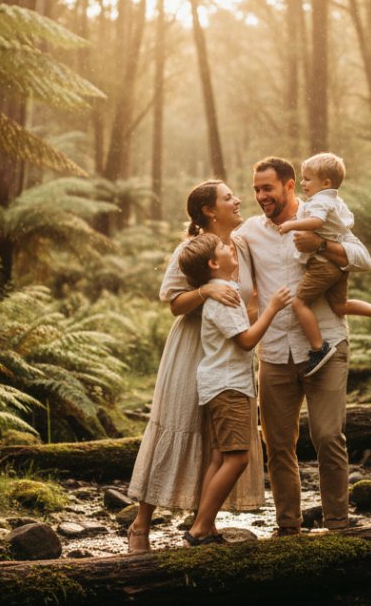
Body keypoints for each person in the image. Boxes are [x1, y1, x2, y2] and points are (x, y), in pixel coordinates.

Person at [125, 181, 265, 552]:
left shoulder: (242, 247)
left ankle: (205, 522)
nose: (237, 200)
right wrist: (204, 291)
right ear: (208, 210)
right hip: (192, 350)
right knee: (177, 425)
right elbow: (173, 302)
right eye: (228, 197)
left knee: (218, 440)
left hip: (230, 350)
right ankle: (141, 524)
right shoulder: (190, 249)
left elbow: (249, 300)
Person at [235, 157, 371, 536]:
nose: (262, 196)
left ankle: (338, 526)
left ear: (290, 185)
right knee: (278, 445)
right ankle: (289, 529)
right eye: (256, 190)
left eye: (268, 189)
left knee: (328, 437)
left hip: (326, 346)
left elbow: (363, 258)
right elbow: (217, 247)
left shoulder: (323, 216)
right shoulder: (249, 232)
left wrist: (322, 244)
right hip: (276, 353)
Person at [176, 233, 291, 545]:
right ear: (214, 263)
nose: (230, 248)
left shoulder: (223, 293)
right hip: (229, 386)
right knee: (237, 458)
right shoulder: (224, 293)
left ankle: (207, 525)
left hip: (219, 384)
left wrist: (255, 304)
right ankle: (199, 528)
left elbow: (237, 330)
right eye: (223, 247)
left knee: (219, 457)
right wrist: (273, 308)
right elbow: (246, 340)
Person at [277, 152, 371, 376]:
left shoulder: (320, 202)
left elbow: (316, 222)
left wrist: (291, 225)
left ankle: (319, 348)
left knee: (299, 304)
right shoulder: (335, 201)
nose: (302, 183)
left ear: (326, 183)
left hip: (323, 265)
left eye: (307, 178)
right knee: (339, 306)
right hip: (337, 267)